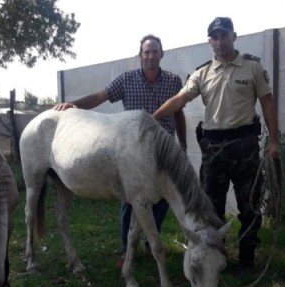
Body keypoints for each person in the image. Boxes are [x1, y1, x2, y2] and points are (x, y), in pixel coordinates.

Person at [153, 17, 279, 272]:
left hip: (245, 148)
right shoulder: (202, 73)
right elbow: (180, 99)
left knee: (250, 206)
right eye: (215, 37)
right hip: (213, 151)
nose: (219, 42)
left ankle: (246, 259)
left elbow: (267, 102)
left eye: (224, 36)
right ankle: (215, 257)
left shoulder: (252, 67)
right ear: (209, 41)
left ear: (234, 36)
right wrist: (152, 118)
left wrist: (273, 141)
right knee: (210, 210)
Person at [54, 34, 187, 268]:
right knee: (131, 202)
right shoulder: (127, 80)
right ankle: (128, 249)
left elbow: (178, 113)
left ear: (161, 54)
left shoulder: (173, 81)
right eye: (146, 52)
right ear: (140, 56)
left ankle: (148, 241)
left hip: (163, 150)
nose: (150, 56)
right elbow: (99, 96)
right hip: (132, 153)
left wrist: (183, 145)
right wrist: (74, 105)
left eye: (155, 51)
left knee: (164, 198)